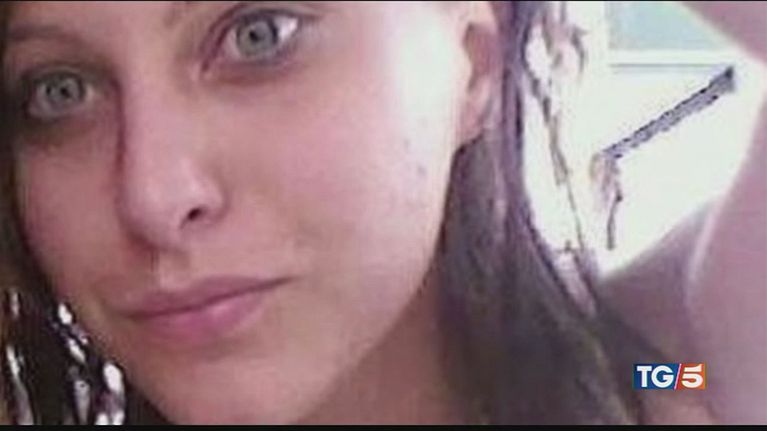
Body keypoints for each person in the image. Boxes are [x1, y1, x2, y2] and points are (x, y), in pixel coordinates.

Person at [0, 1, 762, 424]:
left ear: (473, 64)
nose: (153, 197)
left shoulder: (667, 366)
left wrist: (650, 371)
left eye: (258, 37)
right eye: (61, 90)